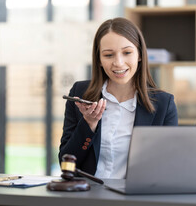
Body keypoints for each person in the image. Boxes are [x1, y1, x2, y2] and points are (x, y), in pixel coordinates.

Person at [59, 17, 178, 179]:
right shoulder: (80, 93)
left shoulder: (164, 105)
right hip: (87, 196)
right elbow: (66, 164)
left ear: (140, 55)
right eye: (108, 55)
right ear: (99, 60)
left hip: (135, 199)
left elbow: (169, 166)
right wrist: (89, 124)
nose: (118, 63)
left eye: (127, 53)